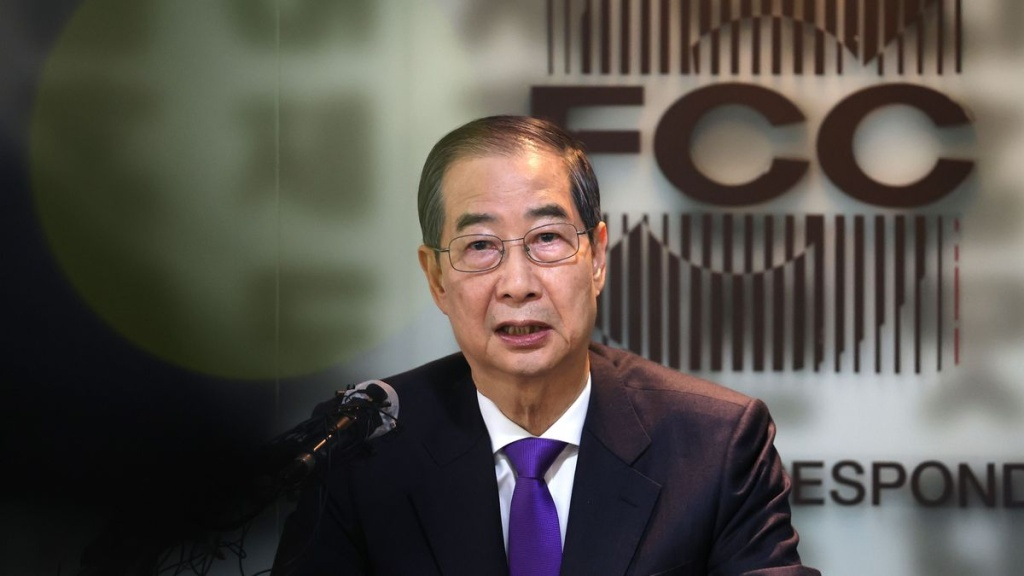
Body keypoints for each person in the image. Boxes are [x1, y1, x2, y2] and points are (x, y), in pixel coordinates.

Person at [271, 115, 820, 576]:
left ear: (597, 257)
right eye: (480, 246)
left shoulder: (716, 445)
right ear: (436, 277)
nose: (517, 284)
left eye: (548, 238)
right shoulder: (362, 450)